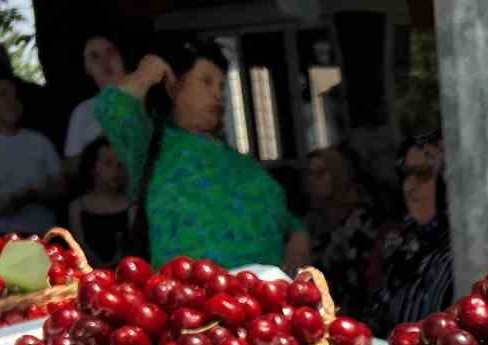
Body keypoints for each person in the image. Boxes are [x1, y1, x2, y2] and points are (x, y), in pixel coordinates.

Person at [98, 39, 309, 272]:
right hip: (192, 298)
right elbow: (114, 108)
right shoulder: (151, 147)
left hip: (262, 295)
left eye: (221, 86)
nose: (218, 94)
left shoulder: (241, 161)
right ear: (174, 87)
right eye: (206, 82)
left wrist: (298, 233)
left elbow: (280, 213)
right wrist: (146, 73)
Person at [367, 133, 454, 331]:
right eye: (406, 174)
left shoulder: (472, 248)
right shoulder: (397, 241)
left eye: (422, 174)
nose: (409, 187)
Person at [0, 73, 64, 235]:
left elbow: (60, 187)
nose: (12, 101)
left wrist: (34, 195)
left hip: (37, 235)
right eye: (3, 94)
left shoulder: (39, 141)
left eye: (17, 96)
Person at [306, 144, 378, 316]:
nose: (314, 180)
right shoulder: (310, 221)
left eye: (322, 173)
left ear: (339, 174)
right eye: (310, 174)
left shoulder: (363, 221)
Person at [67, 138, 133, 267]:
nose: (116, 170)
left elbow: (132, 250)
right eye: (108, 164)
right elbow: (78, 247)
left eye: (120, 164)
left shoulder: (132, 208)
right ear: (92, 168)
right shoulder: (77, 207)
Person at [65, 34, 127, 167]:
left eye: (110, 51)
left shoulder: (149, 99)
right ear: (87, 68)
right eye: (95, 56)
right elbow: (72, 168)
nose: (105, 61)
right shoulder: (82, 112)